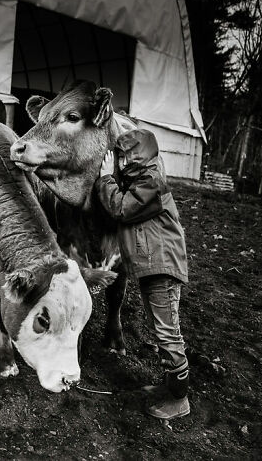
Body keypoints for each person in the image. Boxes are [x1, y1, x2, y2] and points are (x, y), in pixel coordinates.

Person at [95, 128, 190, 420]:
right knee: (160, 327)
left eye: (124, 157)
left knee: (167, 332)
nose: (120, 163)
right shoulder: (143, 180)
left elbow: (121, 207)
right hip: (152, 266)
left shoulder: (152, 183)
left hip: (162, 266)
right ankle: (169, 387)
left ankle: (179, 400)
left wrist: (104, 178)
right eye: (118, 157)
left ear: (138, 157)